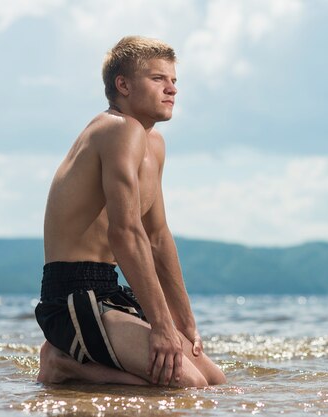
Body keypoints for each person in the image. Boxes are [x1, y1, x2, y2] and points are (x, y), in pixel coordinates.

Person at [34, 36, 226, 388]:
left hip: (110, 292)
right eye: (158, 79)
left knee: (214, 381)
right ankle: (62, 363)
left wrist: (183, 322)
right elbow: (124, 233)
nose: (171, 90)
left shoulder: (153, 143)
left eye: (174, 81)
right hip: (73, 300)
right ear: (122, 85)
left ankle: (74, 361)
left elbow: (156, 236)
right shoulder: (117, 130)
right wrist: (161, 326)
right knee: (187, 385)